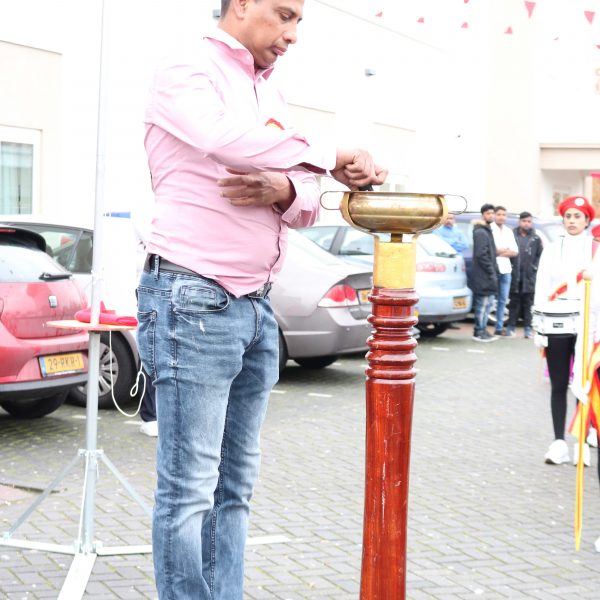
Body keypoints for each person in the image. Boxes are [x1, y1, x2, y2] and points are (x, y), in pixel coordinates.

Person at [136, 1, 387, 598]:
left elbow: (306, 202)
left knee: (235, 486)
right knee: (190, 489)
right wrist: (326, 156)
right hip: (193, 296)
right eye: (284, 15)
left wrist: (285, 186)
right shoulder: (186, 67)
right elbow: (226, 139)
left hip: (254, 305)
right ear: (242, 4)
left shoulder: (267, 91)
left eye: (299, 21)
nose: (293, 35)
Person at [533, 195, 595, 466]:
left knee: (583, 385)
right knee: (558, 384)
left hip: (587, 321)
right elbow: (542, 286)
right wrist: (538, 326)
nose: (572, 221)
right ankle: (558, 442)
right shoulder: (551, 249)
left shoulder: (595, 249)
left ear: (587, 220)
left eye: (577, 216)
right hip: (557, 320)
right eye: (568, 216)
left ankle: (582, 442)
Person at [505, 211, 543, 338]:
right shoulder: (511, 235)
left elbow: (540, 255)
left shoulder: (536, 238)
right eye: (524, 221)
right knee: (513, 303)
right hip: (514, 275)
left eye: (529, 221)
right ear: (519, 221)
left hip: (529, 276)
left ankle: (528, 329)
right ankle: (510, 328)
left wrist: (534, 267)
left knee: (528, 304)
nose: (526, 224)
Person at [469, 203, 499, 342]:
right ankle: (478, 331)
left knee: (488, 304)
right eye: (488, 213)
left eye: (492, 213)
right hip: (483, 274)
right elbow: (481, 255)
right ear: (483, 215)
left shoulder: (487, 230)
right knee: (482, 304)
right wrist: (491, 270)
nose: (491, 215)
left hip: (488, 274)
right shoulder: (480, 231)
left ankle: (483, 329)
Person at [491, 205, 518, 336]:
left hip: (506, 269)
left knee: (503, 300)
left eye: (503, 215)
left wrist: (499, 251)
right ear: (494, 215)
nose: (501, 217)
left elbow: (515, 251)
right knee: (489, 299)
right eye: (499, 214)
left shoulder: (508, 231)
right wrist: (503, 250)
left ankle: (498, 327)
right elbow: (491, 250)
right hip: (492, 268)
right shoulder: (489, 229)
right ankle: (482, 328)